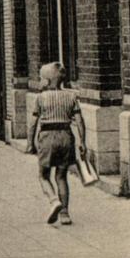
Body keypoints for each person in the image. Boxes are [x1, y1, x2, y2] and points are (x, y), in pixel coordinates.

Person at [27, 62, 88, 225]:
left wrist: (30, 143)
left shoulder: (40, 98)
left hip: (47, 137)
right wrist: (83, 142)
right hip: (66, 136)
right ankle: (65, 214)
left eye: (41, 78)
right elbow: (80, 121)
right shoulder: (71, 96)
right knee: (61, 176)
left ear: (47, 80)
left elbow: (33, 122)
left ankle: (54, 200)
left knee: (43, 175)